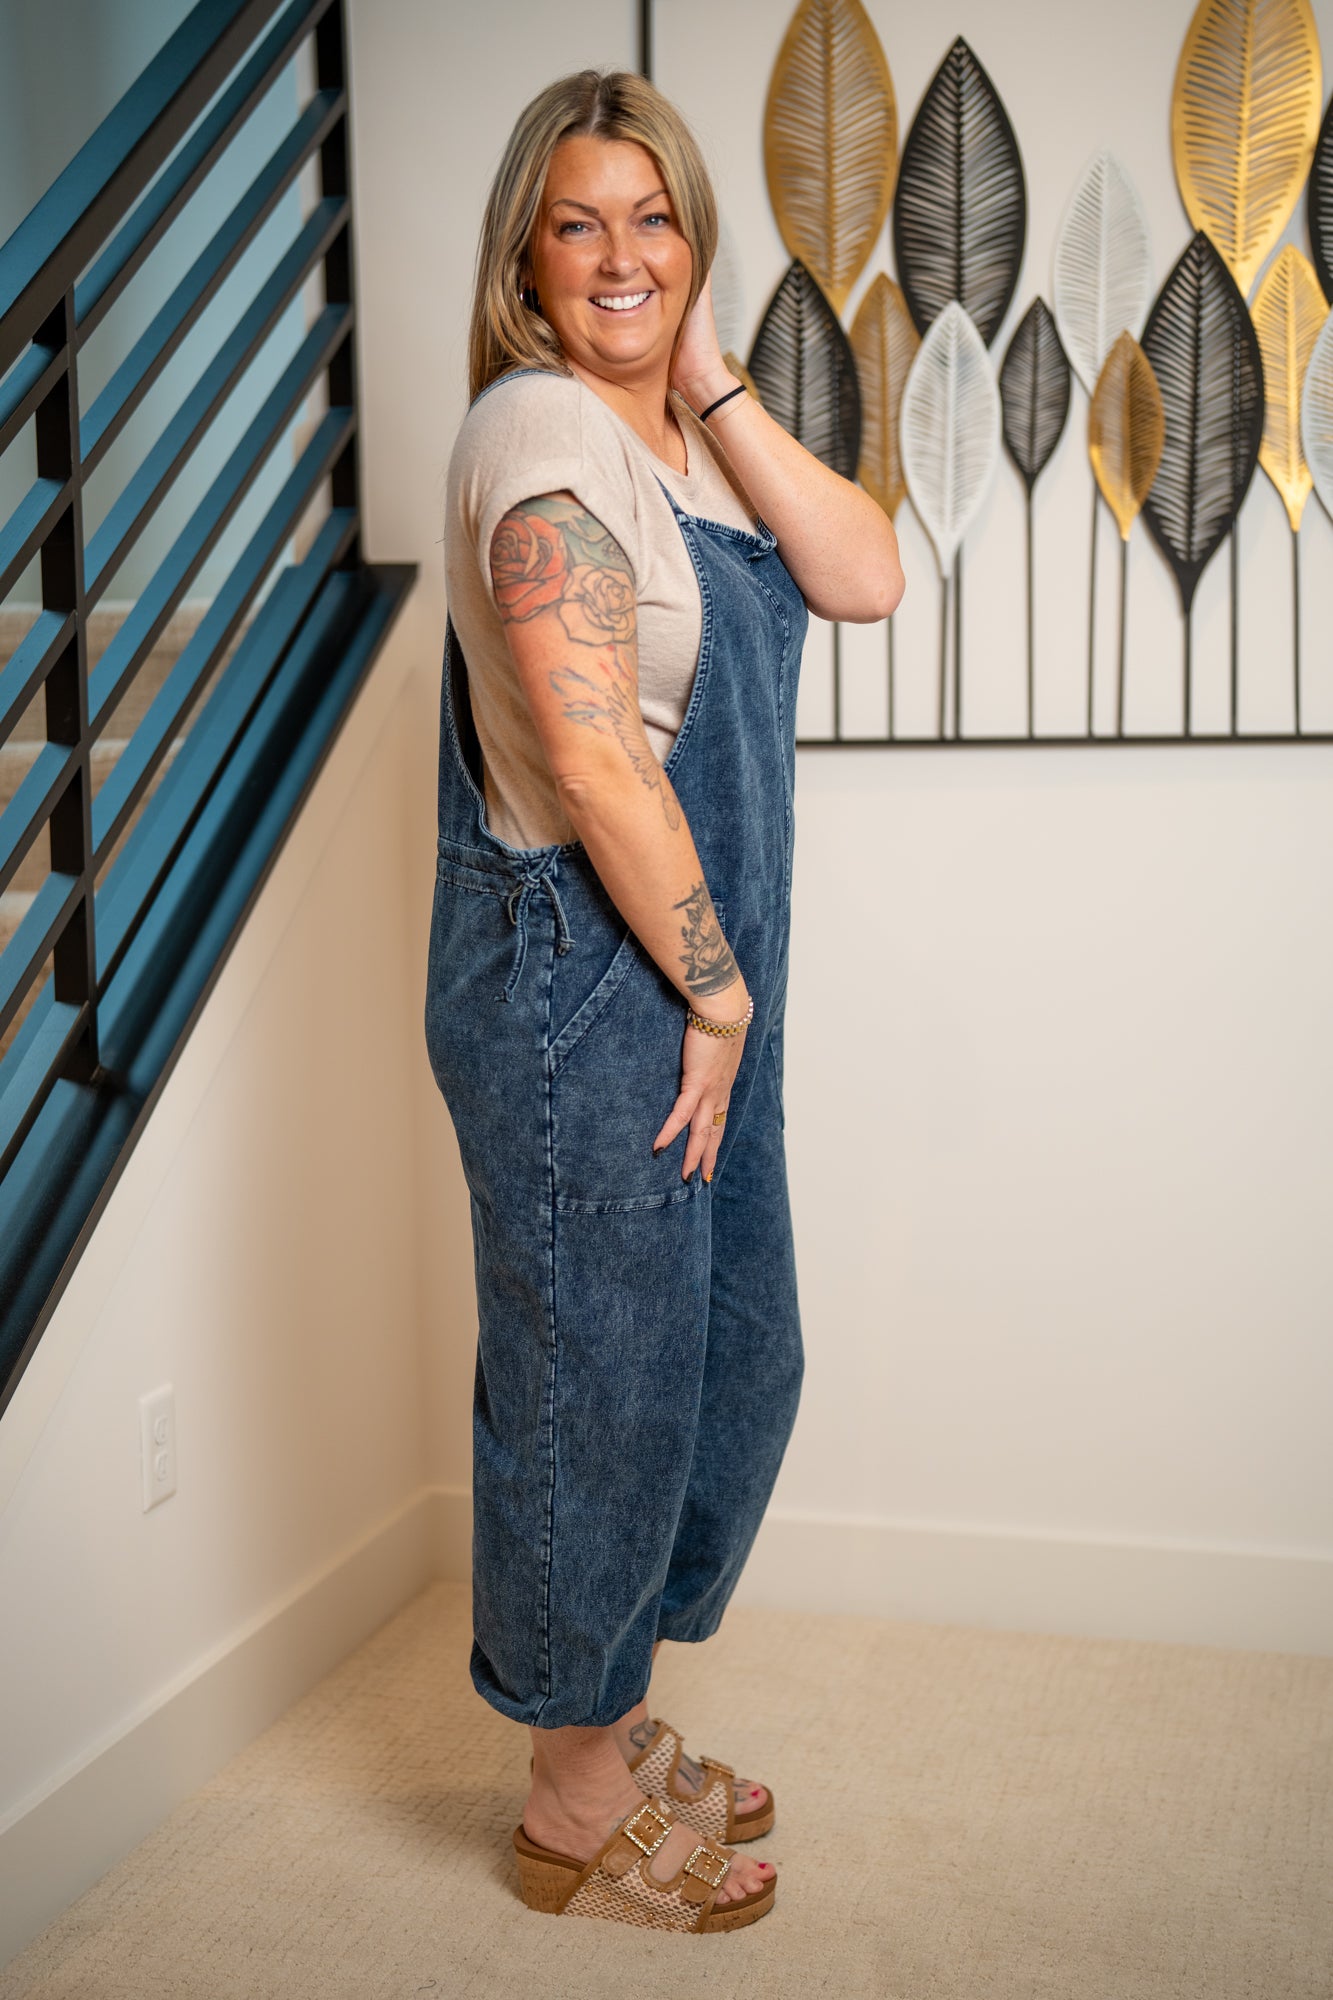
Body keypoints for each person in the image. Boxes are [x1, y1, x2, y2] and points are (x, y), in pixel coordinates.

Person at [424, 68, 903, 1933]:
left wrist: (704, 372)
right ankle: (568, 1797)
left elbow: (860, 575)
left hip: (695, 975)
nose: (618, 255)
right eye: (578, 223)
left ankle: (611, 1721)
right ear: (524, 260)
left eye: (654, 218)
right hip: (587, 982)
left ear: (697, 242)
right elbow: (593, 758)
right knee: (598, 1390)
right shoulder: (541, 428)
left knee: (724, 1364)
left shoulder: (669, 440)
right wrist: (712, 998)